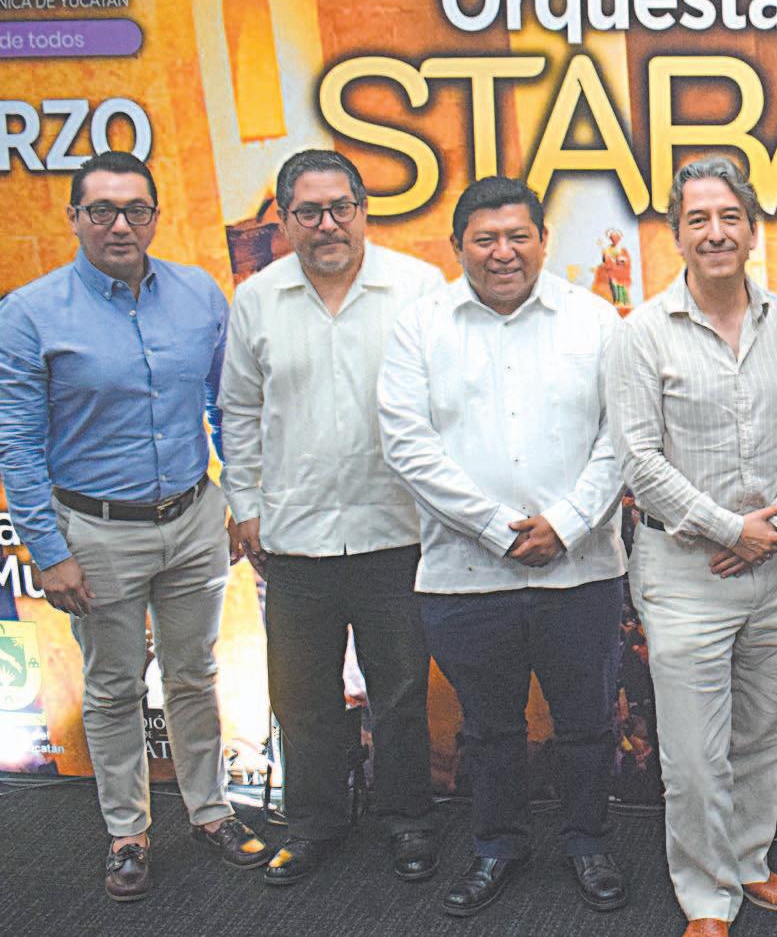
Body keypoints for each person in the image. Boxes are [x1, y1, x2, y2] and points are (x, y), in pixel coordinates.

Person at [0, 151, 268, 900]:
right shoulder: (29, 313)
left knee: (195, 674)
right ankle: (128, 834)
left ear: (154, 215)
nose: (120, 225)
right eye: (102, 210)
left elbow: (227, 408)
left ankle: (211, 813)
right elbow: (17, 443)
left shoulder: (199, 293)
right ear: (74, 218)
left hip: (193, 519)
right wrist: (48, 550)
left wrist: (240, 501)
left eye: (135, 210)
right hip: (94, 532)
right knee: (114, 687)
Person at [377, 177, 626, 917]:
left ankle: (588, 841)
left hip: (581, 570)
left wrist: (568, 524)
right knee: (487, 730)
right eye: (484, 239)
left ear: (544, 241)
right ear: (458, 246)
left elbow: (624, 435)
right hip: (465, 575)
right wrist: (496, 529)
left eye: (518, 235)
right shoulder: (420, 326)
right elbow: (407, 445)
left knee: (587, 723)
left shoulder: (595, 319)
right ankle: (497, 844)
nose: (503, 252)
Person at [605, 156, 777, 937]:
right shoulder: (641, 333)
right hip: (685, 571)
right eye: (697, 218)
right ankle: (705, 895)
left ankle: (748, 856)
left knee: (765, 731)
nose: (715, 232)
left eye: (729, 216)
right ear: (677, 234)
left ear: (752, 228)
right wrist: (731, 530)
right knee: (694, 753)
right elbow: (638, 459)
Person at [220, 149, 445, 884]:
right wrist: (246, 507)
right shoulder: (257, 299)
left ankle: (408, 818)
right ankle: (313, 823)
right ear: (285, 220)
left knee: (402, 692)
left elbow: (448, 403)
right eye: (309, 211)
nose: (327, 225)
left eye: (340, 208)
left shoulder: (417, 287)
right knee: (301, 698)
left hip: (398, 531)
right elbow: (239, 411)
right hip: (295, 539)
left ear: (363, 211)